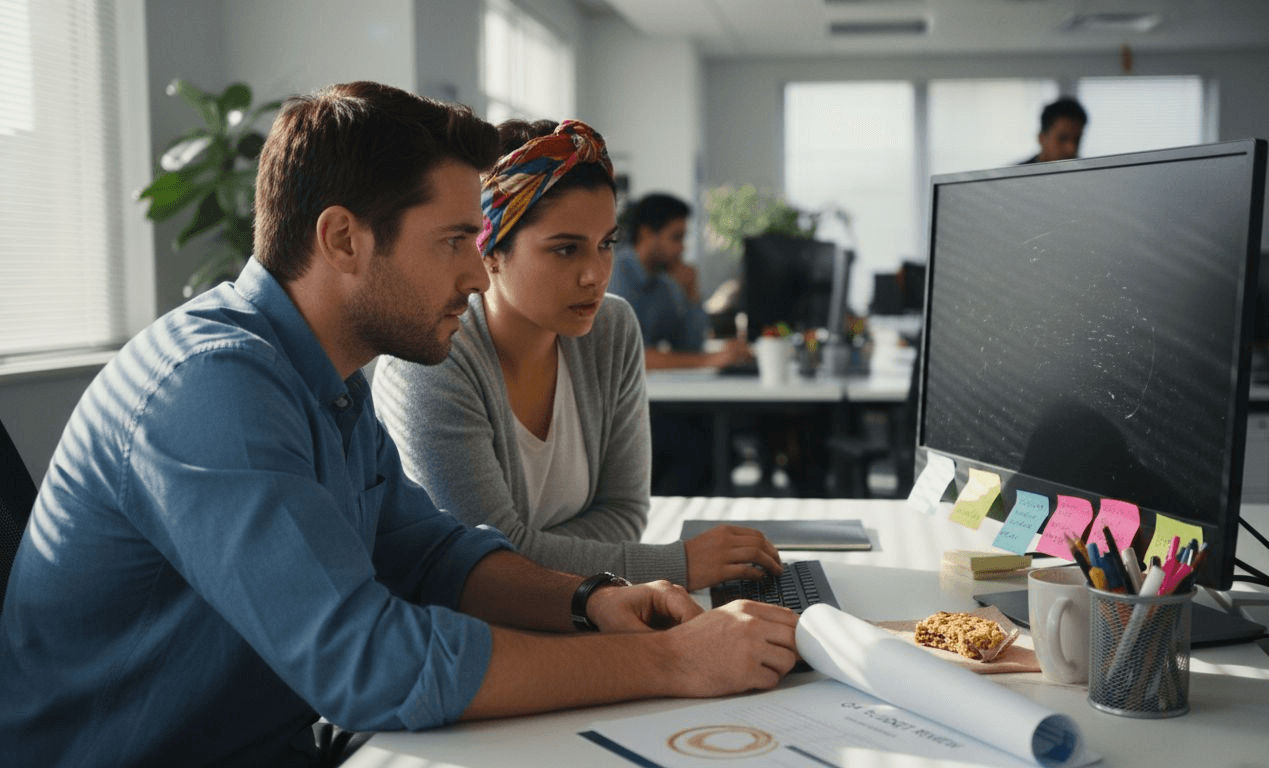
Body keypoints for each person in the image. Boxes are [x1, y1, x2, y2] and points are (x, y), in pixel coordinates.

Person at [0, 83, 800, 767]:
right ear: (343, 239)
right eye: (455, 240)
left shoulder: (321, 379)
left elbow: (428, 550)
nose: (472, 272)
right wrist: (666, 660)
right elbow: (370, 663)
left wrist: (587, 599)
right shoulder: (211, 387)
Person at [372, 119, 781, 591]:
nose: (595, 275)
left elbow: (625, 514)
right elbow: (484, 564)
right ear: (490, 252)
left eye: (606, 244)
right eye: (565, 249)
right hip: (468, 635)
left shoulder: (611, 327)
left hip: (577, 609)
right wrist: (677, 565)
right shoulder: (430, 361)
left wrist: (530, 548)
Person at [608, 193, 752, 369]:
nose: (682, 247)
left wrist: (692, 292)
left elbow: (689, 347)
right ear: (646, 234)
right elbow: (628, 356)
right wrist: (709, 360)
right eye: (676, 237)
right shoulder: (615, 275)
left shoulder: (664, 283)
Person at [1020, 97, 1088, 164]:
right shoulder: (1016, 173)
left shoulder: (1088, 173)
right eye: (1062, 138)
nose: (1071, 149)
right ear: (1041, 138)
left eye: (1077, 139)